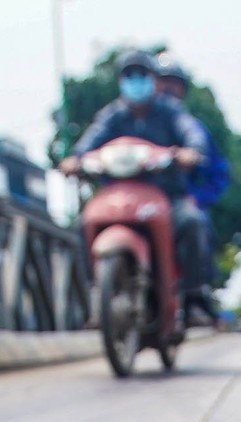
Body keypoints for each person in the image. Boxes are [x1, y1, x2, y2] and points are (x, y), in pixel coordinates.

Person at [62, 50, 209, 310]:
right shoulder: (113, 115)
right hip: (120, 195)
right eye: (129, 75)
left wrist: (191, 151)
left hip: (165, 196)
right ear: (121, 81)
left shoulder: (170, 111)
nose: (136, 80)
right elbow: (90, 140)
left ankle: (193, 296)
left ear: (154, 79)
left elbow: (190, 131)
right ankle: (91, 294)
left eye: (142, 74)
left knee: (192, 221)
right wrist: (75, 159)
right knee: (83, 224)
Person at [157, 57, 228, 314]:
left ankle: (194, 293)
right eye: (163, 82)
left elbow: (217, 173)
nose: (167, 88)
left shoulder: (191, 126)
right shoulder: (127, 118)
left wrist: (198, 198)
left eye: (173, 83)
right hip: (137, 201)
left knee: (194, 222)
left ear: (182, 90)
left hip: (177, 200)